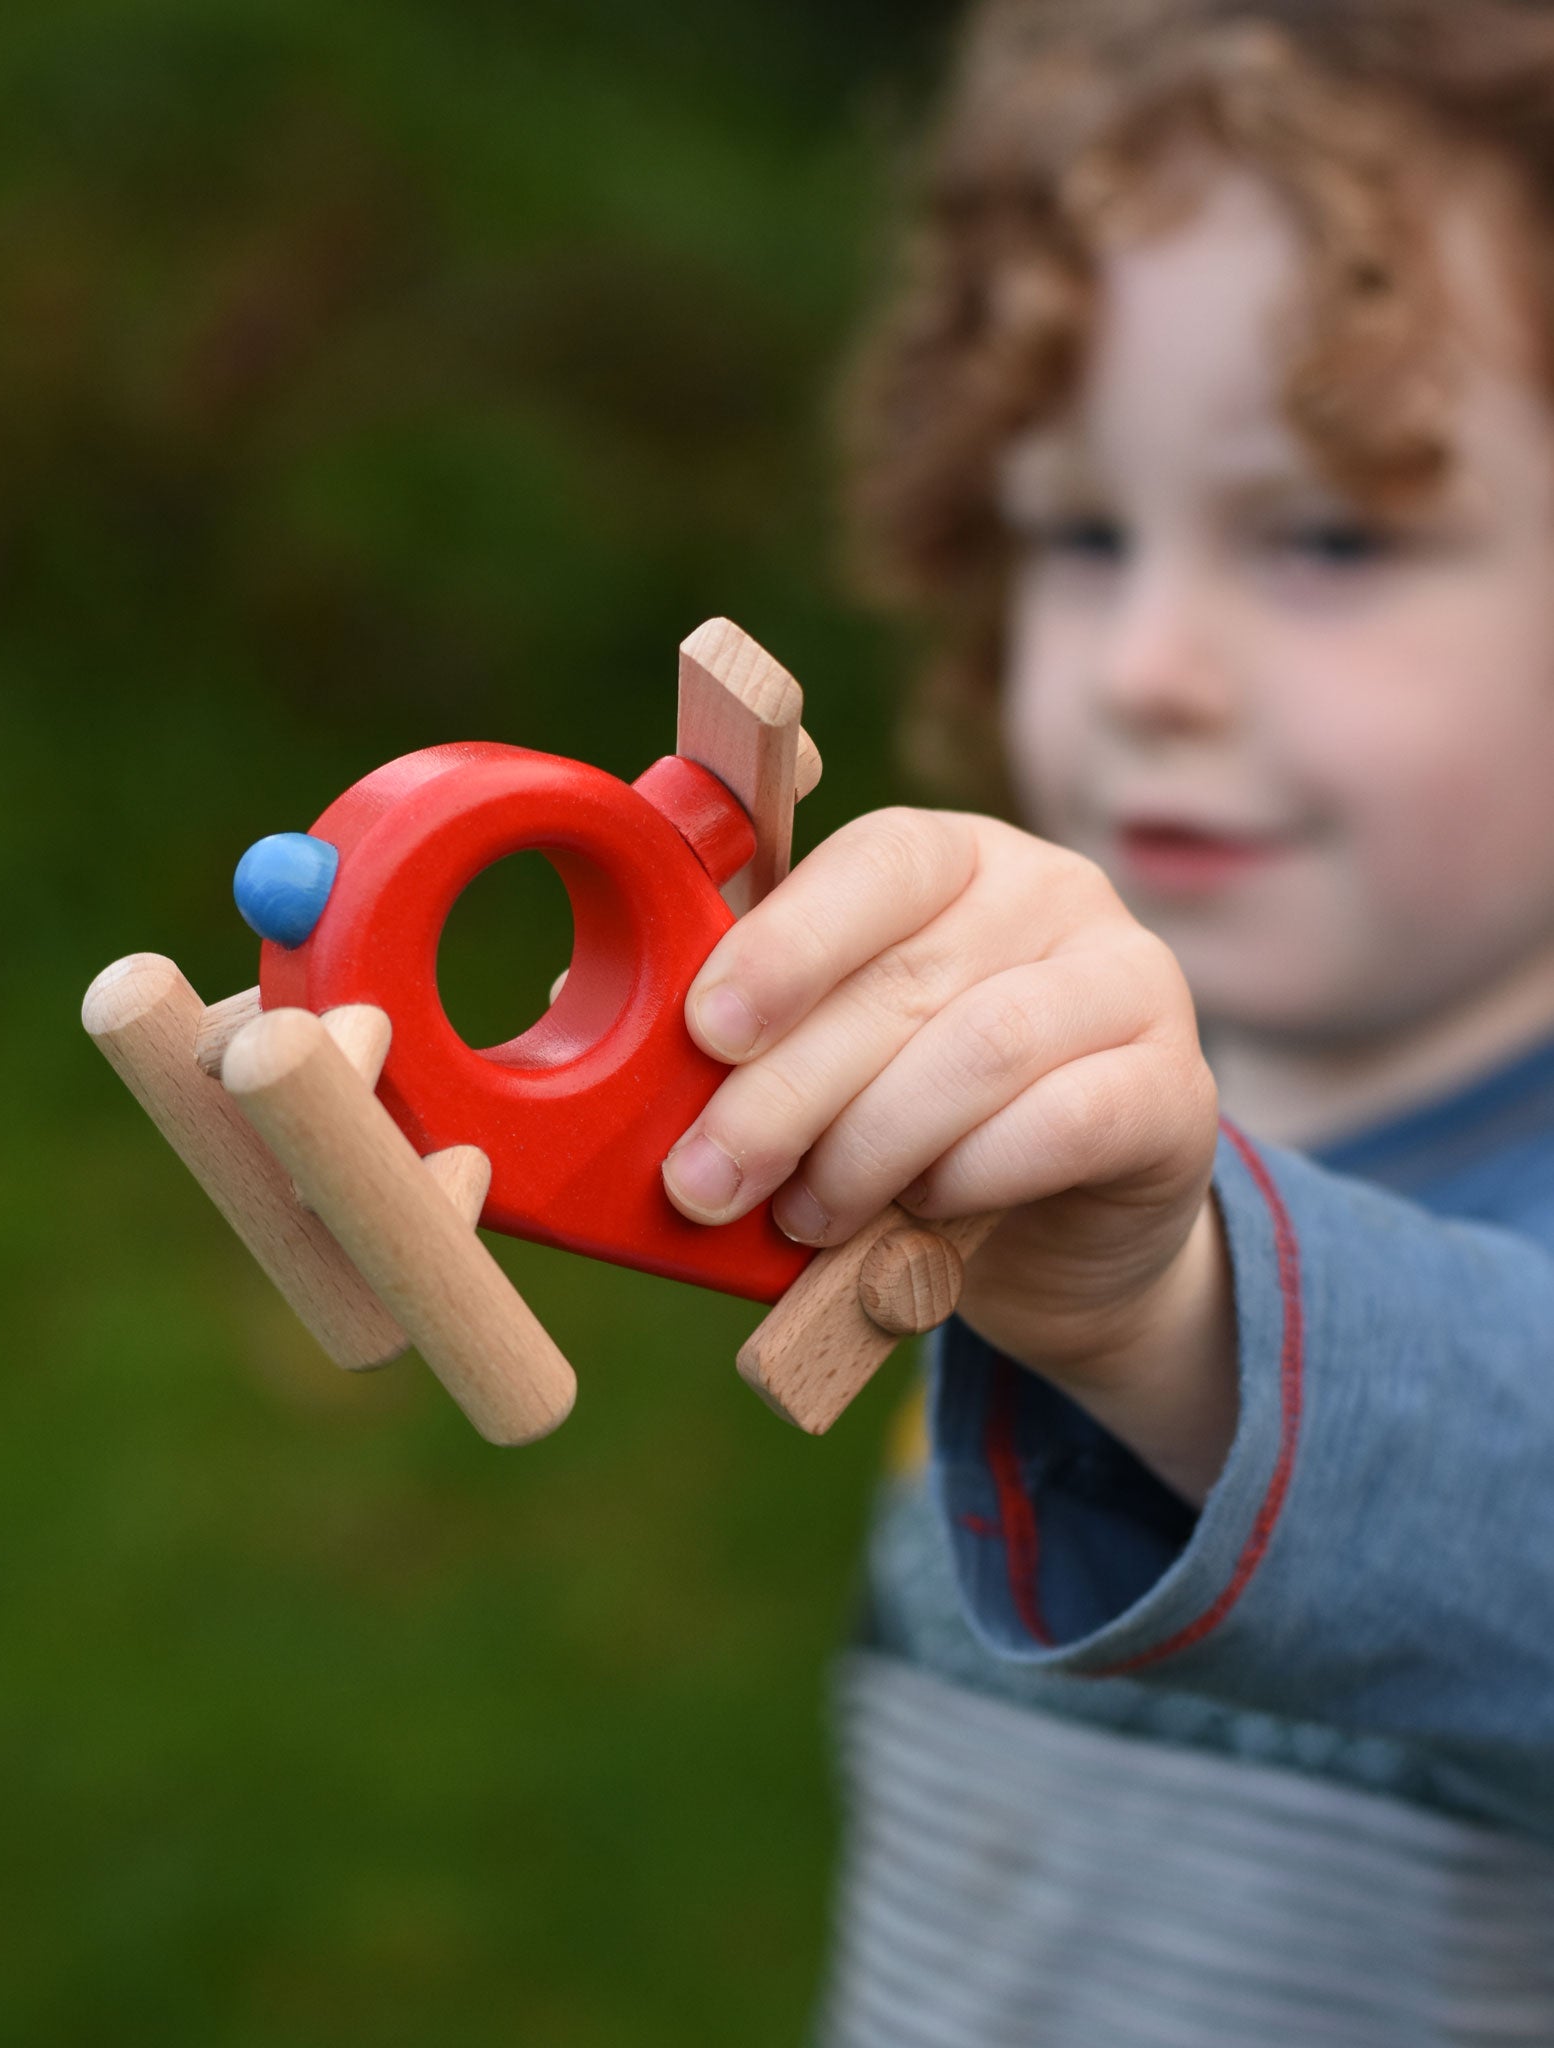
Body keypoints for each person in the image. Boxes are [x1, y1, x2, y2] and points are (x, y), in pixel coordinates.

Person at [658, 3, 1554, 2041]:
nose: (1148, 664)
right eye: (1077, 529)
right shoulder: (1030, 1128)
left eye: (1328, 533)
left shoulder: (1110, 1227)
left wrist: (1175, 1306)